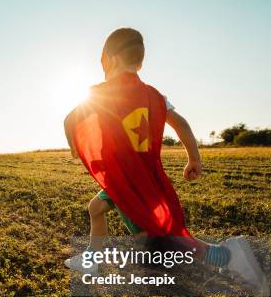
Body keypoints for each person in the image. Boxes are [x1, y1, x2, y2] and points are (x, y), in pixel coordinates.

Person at [63, 27, 243, 277]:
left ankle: (227, 256)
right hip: (143, 176)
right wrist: (194, 158)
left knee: (159, 241)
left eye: (103, 62)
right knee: (97, 208)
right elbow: (181, 123)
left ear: (112, 59)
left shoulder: (102, 93)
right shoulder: (154, 96)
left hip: (128, 179)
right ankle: (92, 260)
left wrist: (75, 145)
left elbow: (71, 119)